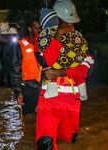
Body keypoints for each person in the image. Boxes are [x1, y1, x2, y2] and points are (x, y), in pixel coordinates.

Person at [35, 0, 94, 149]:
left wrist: (60, 72)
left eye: (72, 22)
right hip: (49, 100)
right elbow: (48, 60)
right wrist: (59, 35)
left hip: (72, 101)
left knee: (70, 140)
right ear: (56, 19)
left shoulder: (78, 41)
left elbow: (85, 68)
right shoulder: (43, 40)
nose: (70, 25)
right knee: (45, 143)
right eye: (66, 21)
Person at [9, 19, 41, 115]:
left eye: (40, 29)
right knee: (27, 116)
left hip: (40, 85)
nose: (38, 31)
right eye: (36, 28)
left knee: (41, 115)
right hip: (26, 85)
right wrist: (18, 92)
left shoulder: (41, 43)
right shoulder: (19, 45)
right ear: (29, 29)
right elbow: (15, 69)